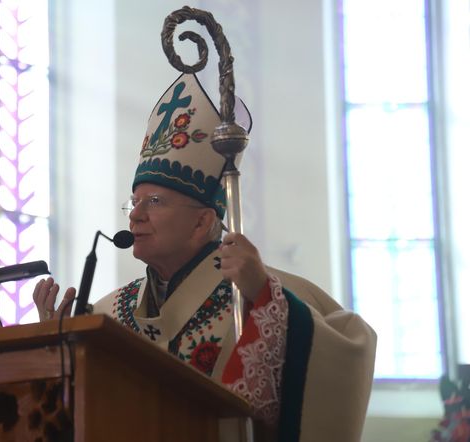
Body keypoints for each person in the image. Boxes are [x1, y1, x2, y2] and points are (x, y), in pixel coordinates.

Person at [33, 73, 377, 442]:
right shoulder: (105, 313)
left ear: (202, 222)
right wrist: (56, 344)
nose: (135, 215)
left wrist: (266, 299)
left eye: (154, 202)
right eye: (134, 203)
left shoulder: (264, 294)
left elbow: (352, 344)